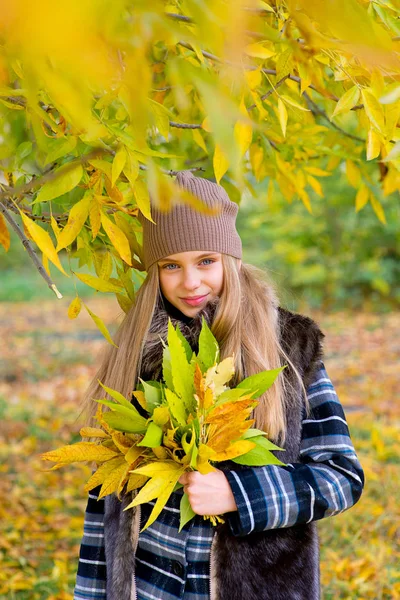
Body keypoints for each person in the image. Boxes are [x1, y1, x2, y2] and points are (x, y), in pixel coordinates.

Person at [73, 171, 364, 600]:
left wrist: (239, 495)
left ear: (230, 258)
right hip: (151, 587)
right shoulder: (137, 352)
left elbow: (341, 476)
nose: (190, 282)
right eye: (171, 265)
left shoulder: (287, 349)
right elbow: (107, 505)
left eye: (206, 261)